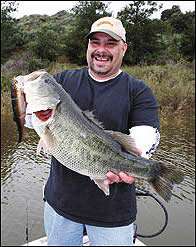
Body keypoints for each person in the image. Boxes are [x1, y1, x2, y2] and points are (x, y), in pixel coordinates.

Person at [33, 17, 160, 246]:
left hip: (113, 213)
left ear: (124, 48)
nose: (101, 50)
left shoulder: (138, 91)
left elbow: (145, 134)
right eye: (95, 42)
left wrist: (137, 160)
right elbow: (32, 123)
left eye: (110, 43)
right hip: (60, 206)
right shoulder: (62, 82)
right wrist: (35, 116)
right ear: (88, 46)